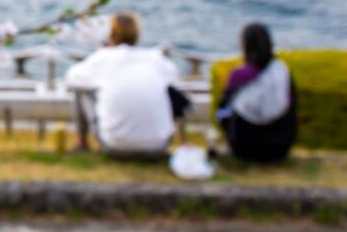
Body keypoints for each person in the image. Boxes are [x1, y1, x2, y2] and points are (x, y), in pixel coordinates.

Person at [65, 12, 188, 156]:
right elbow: (174, 78)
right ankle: (178, 139)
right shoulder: (155, 58)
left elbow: (71, 79)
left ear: (111, 34)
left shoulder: (104, 58)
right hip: (159, 144)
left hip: (115, 144)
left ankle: (81, 143)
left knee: (82, 89)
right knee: (166, 90)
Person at [217, 23, 297, 162]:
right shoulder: (281, 71)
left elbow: (222, 110)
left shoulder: (239, 75)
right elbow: (291, 104)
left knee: (227, 109)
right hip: (280, 147)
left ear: (245, 45)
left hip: (244, 148)